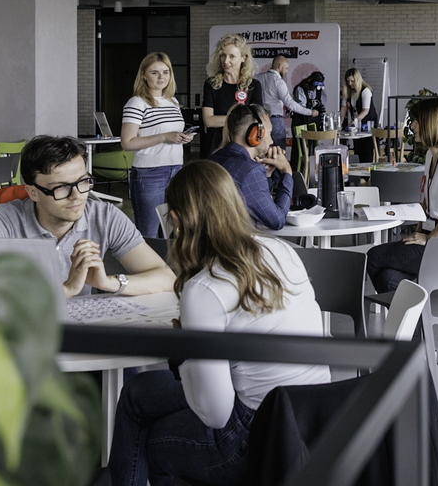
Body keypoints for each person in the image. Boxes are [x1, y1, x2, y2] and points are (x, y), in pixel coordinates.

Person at [109, 160, 330, 486]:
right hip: (312, 414)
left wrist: (183, 354)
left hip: (258, 433)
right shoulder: (281, 249)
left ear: (176, 219)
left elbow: (216, 414)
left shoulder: (205, 287)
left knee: (152, 439)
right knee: (137, 391)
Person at [0, 136, 175, 300]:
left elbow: (166, 279)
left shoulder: (104, 216)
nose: (77, 196)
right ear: (33, 192)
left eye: (83, 182)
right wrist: (67, 289)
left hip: (80, 329)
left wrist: (109, 283)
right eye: (61, 187)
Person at [366, 97, 438, 294]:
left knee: (373, 256)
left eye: (416, 121)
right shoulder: (431, 155)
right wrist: (419, 231)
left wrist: (429, 238)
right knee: (388, 279)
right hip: (435, 232)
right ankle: (413, 312)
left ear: (431, 124)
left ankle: (406, 311)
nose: (412, 125)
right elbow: (426, 203)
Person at [121, 52, 193, 237]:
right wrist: (164, 137)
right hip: (149, 174)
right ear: (143, 75)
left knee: (170, 232)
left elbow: (170, 135)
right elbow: (127, 143)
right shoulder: (136, 103)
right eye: (155, 72)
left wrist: (183, 137)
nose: (161, 77)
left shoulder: (173, 102)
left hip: (175, 169)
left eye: (165, 72)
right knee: (149, 232)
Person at [208, 103, 293, 231]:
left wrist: (267, 174)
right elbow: (277, 221)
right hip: (235, 242)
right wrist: (287, 171)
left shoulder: (213, 158)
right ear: (256, 134)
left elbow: (257, 202)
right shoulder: (250, 171)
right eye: (270, 133)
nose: (271, 141)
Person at [201, 34, 262, 159]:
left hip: (244, 147)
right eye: (223, 55)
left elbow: (257, 119)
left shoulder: (253, 85)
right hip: (215, 147)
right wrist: (241, 120)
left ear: (243, 58)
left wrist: (220, 120)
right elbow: (208, 121)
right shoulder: (211, 84)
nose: (225, 61)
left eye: (232, 56)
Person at [255, 55, 318, 150]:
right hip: (274, 121)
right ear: (279, 66)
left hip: (259, 120)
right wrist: (310, 112)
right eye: (286, 68)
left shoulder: (257, 78)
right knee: (279, 152)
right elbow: (290, 103)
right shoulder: (278, 82)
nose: (286, 72)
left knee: (261, 151)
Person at [340, 68, 378, 164]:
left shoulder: (365, 91)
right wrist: (339, 123)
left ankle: (367, 171)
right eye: (348, 81)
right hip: (357, 123)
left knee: (366, 149)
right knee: (357, 149)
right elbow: (344, 108)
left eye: (352, 81)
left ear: (357, 80)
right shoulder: (348, 91)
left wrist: (355, 121)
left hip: (368, 122)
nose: (350, 84)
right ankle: (358, 171)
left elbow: (365, 111)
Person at [290, 70, 326, 173]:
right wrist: (311, 112)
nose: (316, 88)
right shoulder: (300, 89)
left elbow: (322, 104)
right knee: (299, 149)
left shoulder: (320, 91)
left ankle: (312, 173)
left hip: (313, 123)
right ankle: (297, 173)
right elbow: (300, 108)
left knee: (314, 147)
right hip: (300, 122)